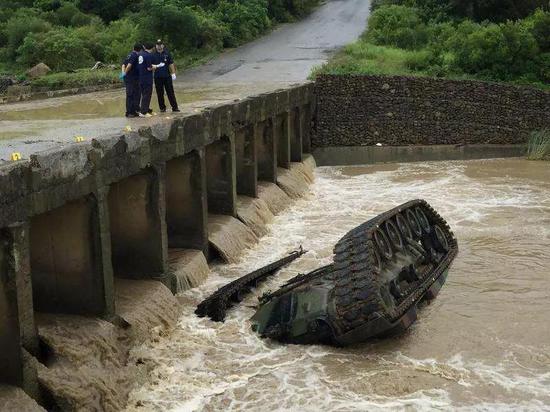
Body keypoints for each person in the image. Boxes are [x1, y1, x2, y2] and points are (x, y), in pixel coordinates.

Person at [137, 42, 165, 117]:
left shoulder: (141, 54)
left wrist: (156, 65)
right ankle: (143, 112)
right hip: (147, 78)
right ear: (152, 48)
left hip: (141, 78)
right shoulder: (148, 56)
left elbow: (145, 65)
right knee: (147, 95)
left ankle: (146, 109)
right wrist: (157, 67)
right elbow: (149, 68)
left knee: (144, 94)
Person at [152, 39, 179, 113]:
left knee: (170, 92)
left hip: (167, 76)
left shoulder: (167, 53)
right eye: (157, 45)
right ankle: (162, 108)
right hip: (157, 77)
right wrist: (156, 66)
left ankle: (175, 107)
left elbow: (171, 63)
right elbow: (150, 65)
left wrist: (173, 73)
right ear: (156, 46)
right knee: (160, 93)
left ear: (163, 45)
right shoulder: (153, 54)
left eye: (160, 44)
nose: (159, 46)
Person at [121, 43, 142, 117]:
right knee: (133, 94)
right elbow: (129, 65)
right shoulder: (135, 56)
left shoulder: (129, 54)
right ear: (140, 50)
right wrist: (125, 73)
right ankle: (130, 112)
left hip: (128, 78)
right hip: (133, 78)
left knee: (131, 94)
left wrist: (123, 73)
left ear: (133, 48)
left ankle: (132, 111)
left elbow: (123, 65)